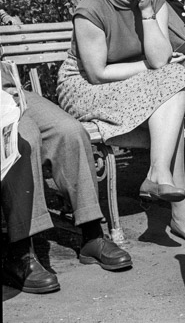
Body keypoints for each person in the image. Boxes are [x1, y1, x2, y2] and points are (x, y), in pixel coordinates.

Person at [56, 0, 185, 243]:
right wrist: (149, 70)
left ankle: (157, 174)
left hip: (137, 86)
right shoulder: (93, 4)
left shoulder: (154, 1)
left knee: (172, 84)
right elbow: (97, 72)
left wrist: (146, 10)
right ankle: (178, 205)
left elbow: (160, 60)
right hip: (84, 87)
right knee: (173, 87)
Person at [2, 18, 132, 294]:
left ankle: (91, 235)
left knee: (69, 132)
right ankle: (20, 254)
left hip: (7, 88)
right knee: (24, 139)